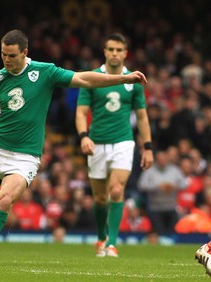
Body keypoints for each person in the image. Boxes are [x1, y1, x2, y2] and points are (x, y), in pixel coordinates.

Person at [0, 29, 147, 266]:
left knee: (5, 200)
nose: (7, 60)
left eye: (11, 55)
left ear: (25, 53)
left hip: (26, 156)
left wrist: (123, 78)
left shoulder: (45, 72)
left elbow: (84, 78)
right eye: (3, 55)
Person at [75, 33, 154, 257]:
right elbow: (81, 112)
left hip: (123, 142)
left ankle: (112, 243)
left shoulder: (134, 80)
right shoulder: (92, 78)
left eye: (119, 50)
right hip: (96, 143)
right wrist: (84, 136)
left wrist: (147, 147)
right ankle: (101, 237)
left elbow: (142, 117)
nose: (115, 53)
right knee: (100, 198)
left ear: (125, 53)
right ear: (105, 52)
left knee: (117, 190)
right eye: (111, 49)